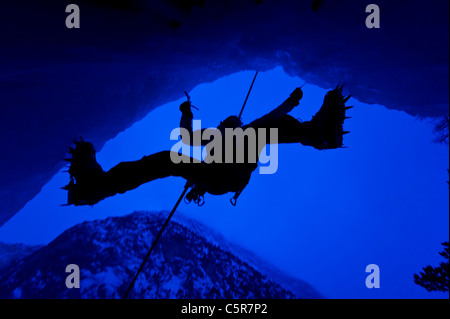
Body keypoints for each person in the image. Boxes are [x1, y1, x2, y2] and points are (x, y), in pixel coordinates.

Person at [63, 85, 351, 206]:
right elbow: (188, 135)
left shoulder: (232, 134)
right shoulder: (230, 134)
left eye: (232, 124)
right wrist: (187, 114)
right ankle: (319, 134)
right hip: (222, 177)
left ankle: (96, 186)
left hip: (219, 177)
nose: (232, 126)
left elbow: (187, 135)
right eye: (231, 124)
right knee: (169, 159)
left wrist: (290, 102)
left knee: (169, 160)